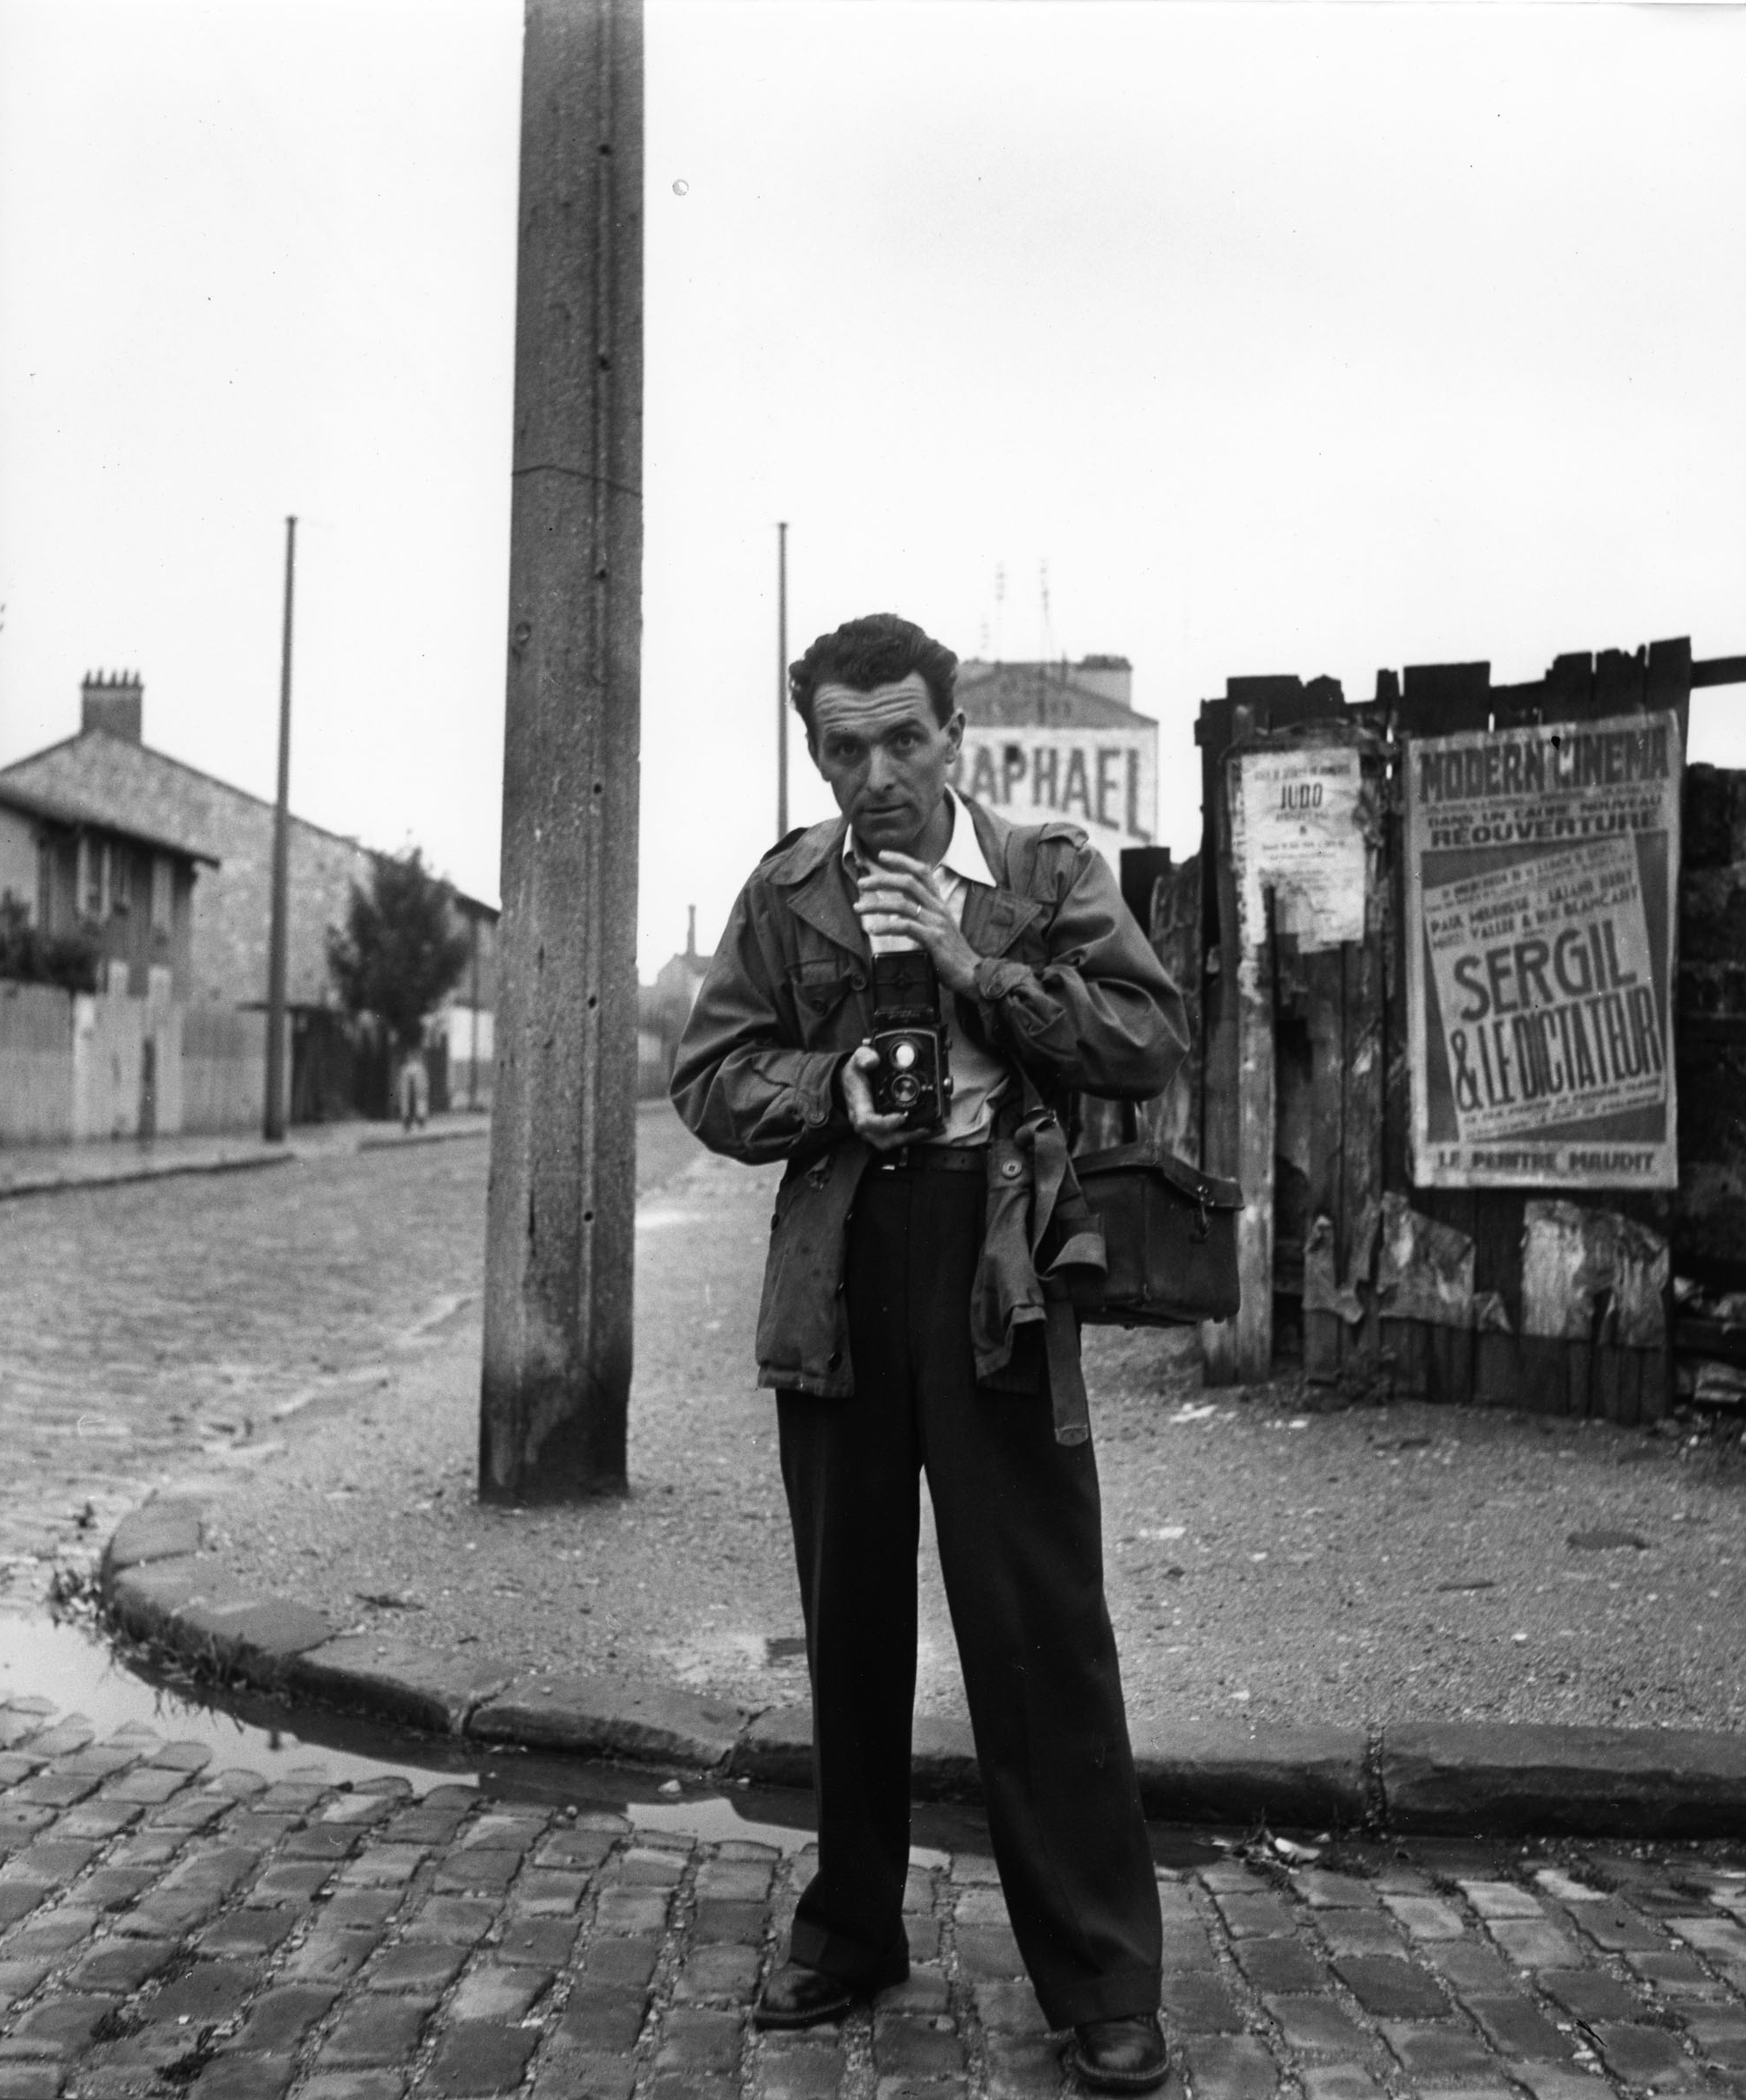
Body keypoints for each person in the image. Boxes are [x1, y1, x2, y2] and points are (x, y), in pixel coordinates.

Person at [671, 612, 1186, 2092]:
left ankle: (1098, 1975)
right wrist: (833, 1087)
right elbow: (708, 1077)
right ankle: (849, 1929)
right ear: (817, 753)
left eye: (905, 739)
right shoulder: (787, 893)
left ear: (953, 735)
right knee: (849, 1614)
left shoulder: (1040, 872)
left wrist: (974, 965)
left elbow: (1147, 1037)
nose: (878, 772)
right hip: (841, 1265)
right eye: (846, 748)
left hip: (1000, 1265)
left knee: (1034, 1619)